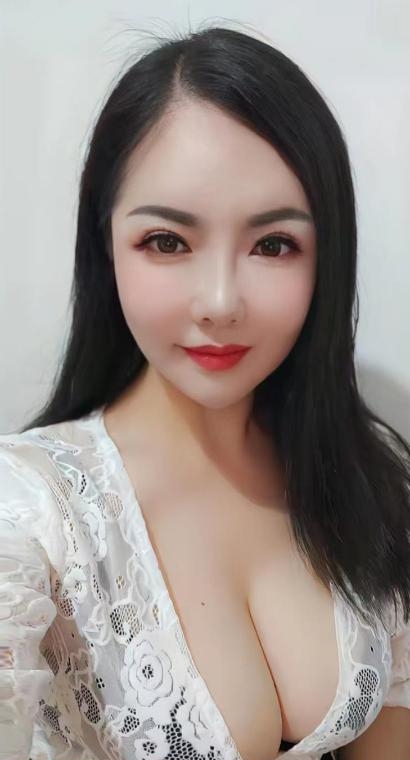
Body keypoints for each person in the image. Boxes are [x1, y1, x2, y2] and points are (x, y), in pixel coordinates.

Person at [1, 21, 409, 760]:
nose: (220, 302)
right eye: (167, 241)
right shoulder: (27, 513)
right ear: (105, 248)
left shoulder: (365, 468)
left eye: (274, 244)